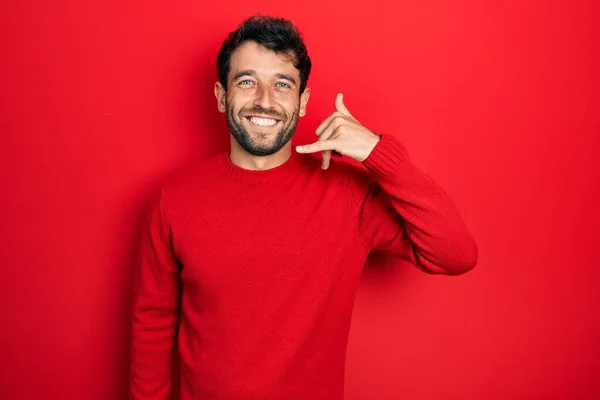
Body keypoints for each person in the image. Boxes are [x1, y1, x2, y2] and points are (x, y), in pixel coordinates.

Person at [129, 14, 478, 400]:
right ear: (221, 95)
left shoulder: (346, 193)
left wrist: (379, 154)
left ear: (303, 100)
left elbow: (456, 254)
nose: (264, 100)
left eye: (282, 84)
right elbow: (153, 324)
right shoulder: (175, 198)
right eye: (246, 82)